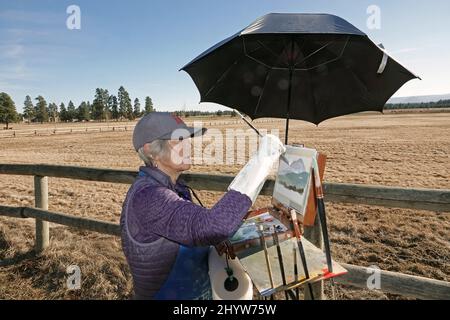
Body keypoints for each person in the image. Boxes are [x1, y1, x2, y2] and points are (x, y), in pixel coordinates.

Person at [120, 112, 285, 299]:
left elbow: (196, 230)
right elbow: (213, 226)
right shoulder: (148, 196)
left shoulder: (174, 188)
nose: (188, 146)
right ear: (151, 150)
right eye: (178, 140)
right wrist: (263, 160)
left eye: (187, 139)